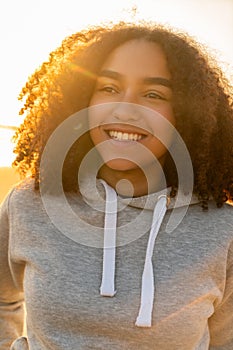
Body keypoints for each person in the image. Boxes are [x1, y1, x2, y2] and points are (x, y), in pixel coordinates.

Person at [0, 21, 233, 350]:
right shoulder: (30, 203)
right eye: (108, 88)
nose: (125, 109)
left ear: (185, 114)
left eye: (153, 94)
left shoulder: (223, 230)